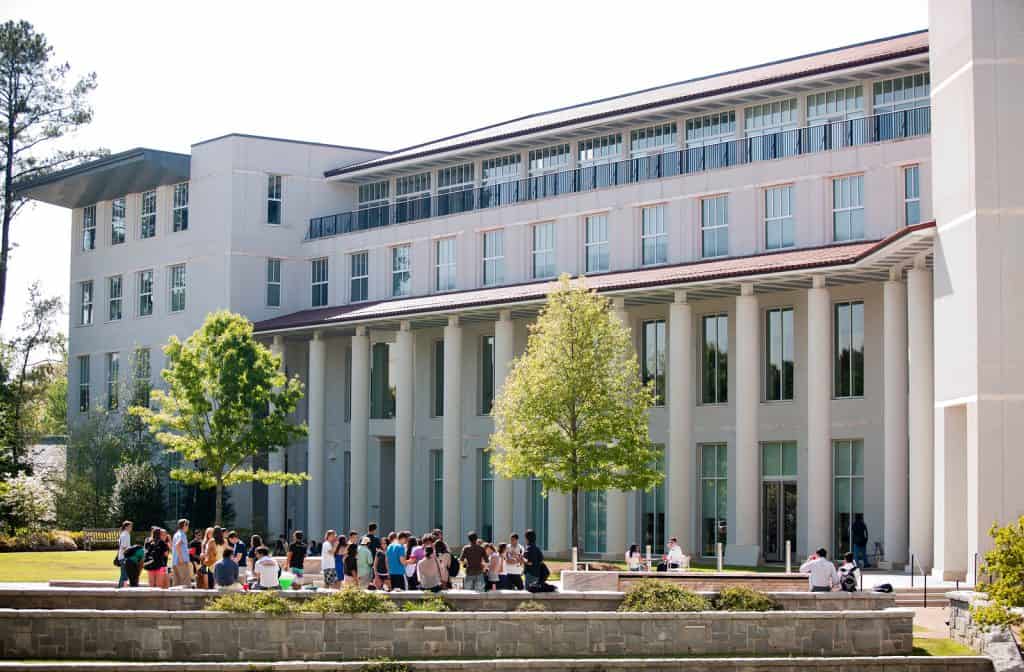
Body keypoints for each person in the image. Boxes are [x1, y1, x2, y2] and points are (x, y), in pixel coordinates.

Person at [170, 519, 192, 588]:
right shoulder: (182, 534)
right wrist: (181, 558)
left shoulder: (176, 534)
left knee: (177, 583)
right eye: (187, 525)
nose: (188, 527)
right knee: (186, 583)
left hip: (175, 562)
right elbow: (177, 545)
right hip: (181, 562)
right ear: (184, 525)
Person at [116, 520, 133, 589]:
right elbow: (124, 547)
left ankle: (120, 589)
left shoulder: (124, 534)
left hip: (122, 557)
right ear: (126, 527)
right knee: (124, 575)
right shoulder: (125, 534)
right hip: (124, 557)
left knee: (123, 575)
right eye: (130, 526)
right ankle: (120, 590)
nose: (131, 528)